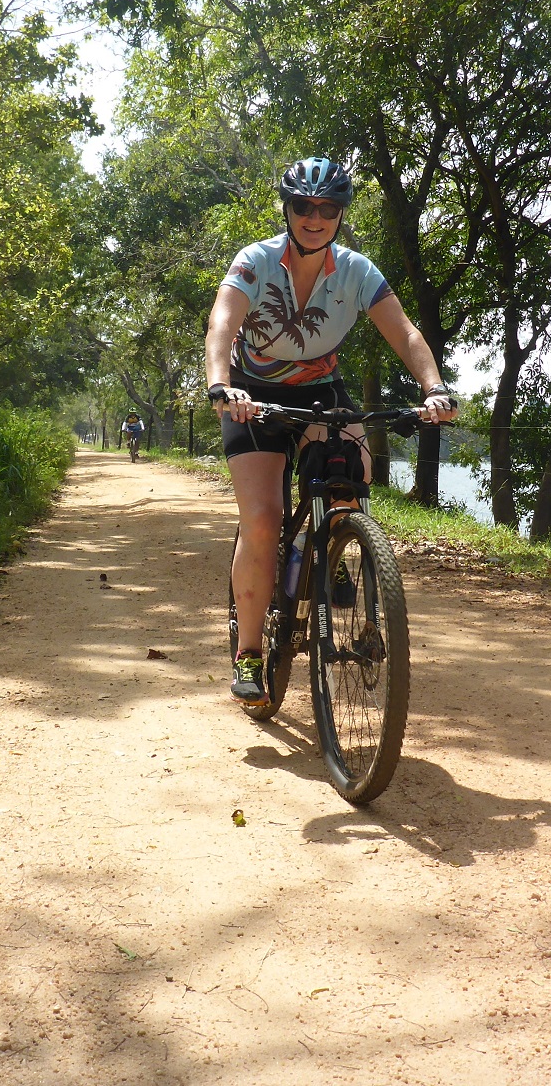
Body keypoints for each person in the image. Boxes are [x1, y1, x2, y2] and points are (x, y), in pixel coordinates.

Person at [205, 157, 458, 707]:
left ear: (340, 214)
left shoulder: (358, 272)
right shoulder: (255, 262)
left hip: (320, 388)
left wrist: (434, 388)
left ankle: (336, 548)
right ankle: (250, 653)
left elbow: (406, 333)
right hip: (253, 392)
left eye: (326, 208)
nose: (314, 218)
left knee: (352, 476)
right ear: (288, 209)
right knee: (265, 519)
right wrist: (223, 384)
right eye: (303, 206)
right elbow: (222, 324)